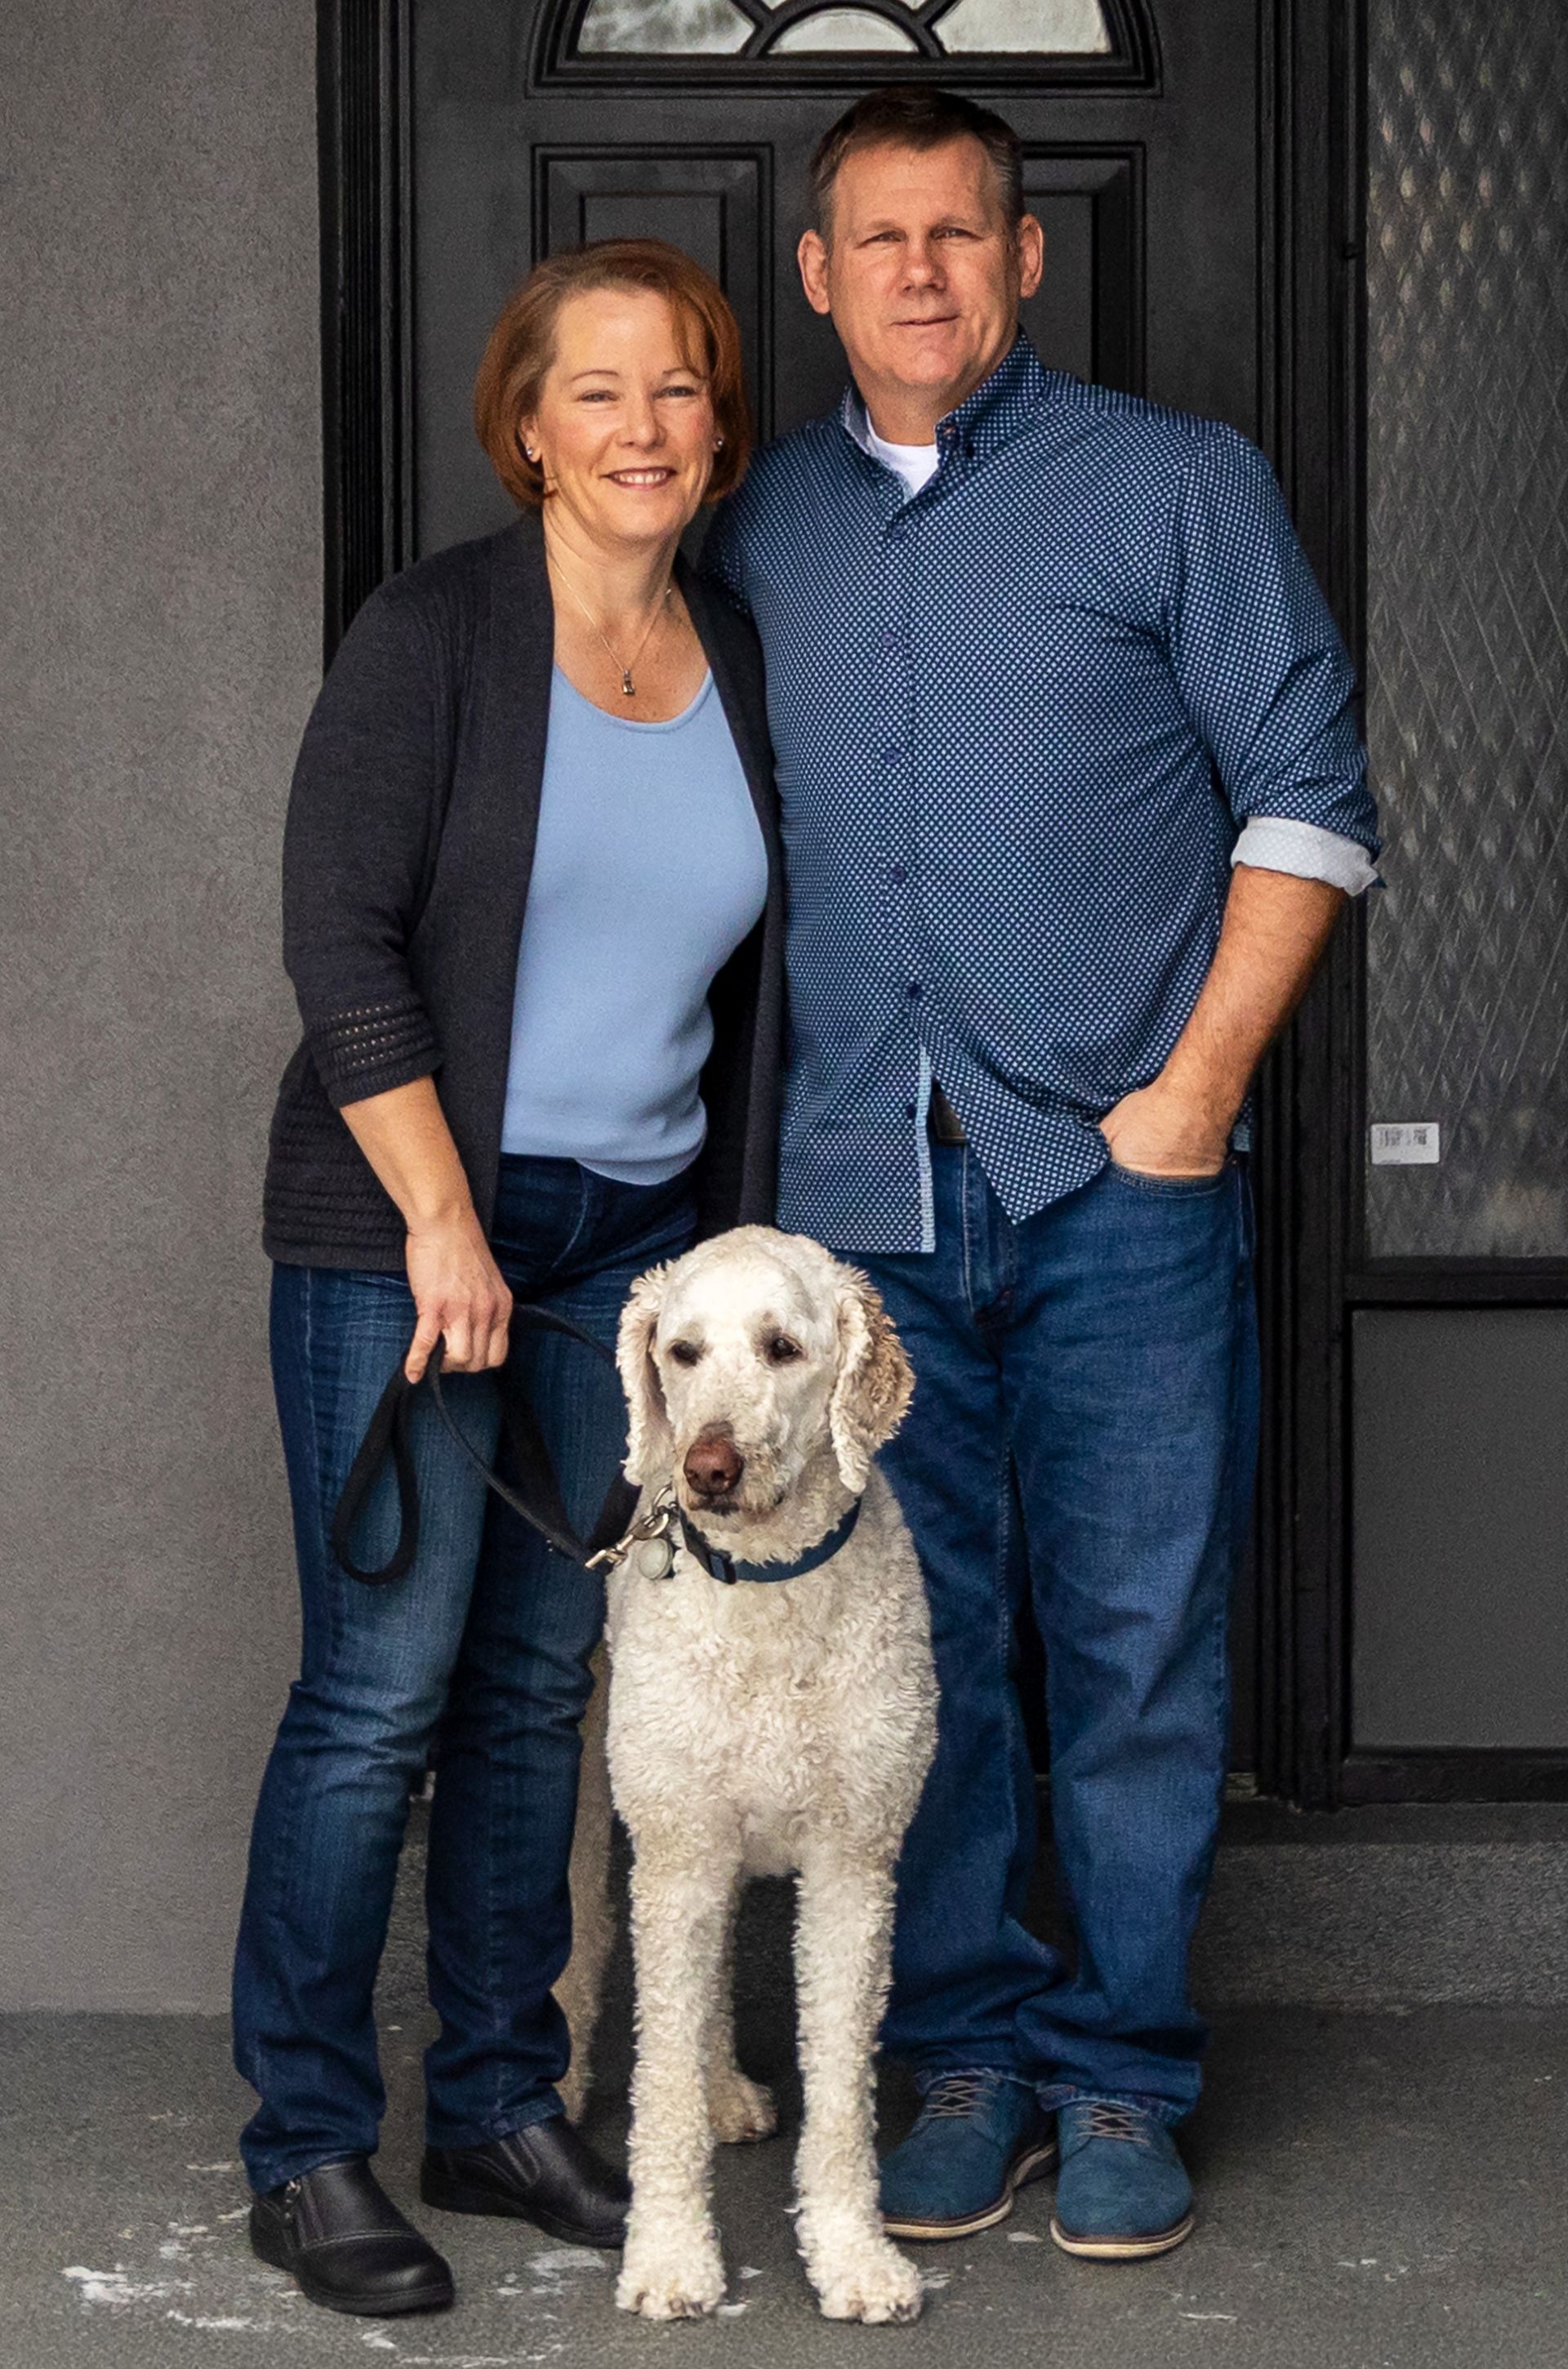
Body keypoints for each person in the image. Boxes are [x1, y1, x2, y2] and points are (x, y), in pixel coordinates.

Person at [704, 87, 1379, 2261]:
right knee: (926, 1649)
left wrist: (1191, 1096)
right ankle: (968, 2051)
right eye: (877, 236)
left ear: (1025, 260)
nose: (920, 269)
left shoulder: (1173, 486)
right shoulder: (759, 524)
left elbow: (1309, 798)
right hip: (855, 1205)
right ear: (816, 275)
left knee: (1137, 1640)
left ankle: (1119, 2075)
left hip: (1119, 1176)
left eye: (959, 232)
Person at [234, 239, 782, 2320]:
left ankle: (493, 2098)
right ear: (529, 428)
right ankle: (303, 2145)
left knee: (544, 1689)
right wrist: (440, 1218)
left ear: (718, 426)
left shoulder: (733, 644)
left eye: (679, 391)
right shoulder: (439, 633)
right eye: (599, 392)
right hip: (409, 1229)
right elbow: (339, 938)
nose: (643, 427)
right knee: (377, 1696)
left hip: (627, 1255)